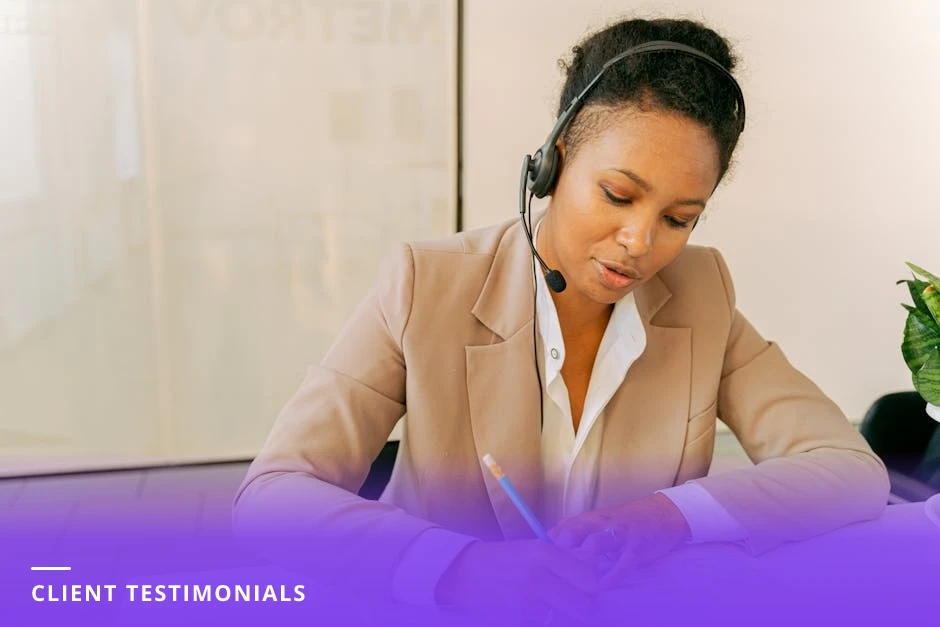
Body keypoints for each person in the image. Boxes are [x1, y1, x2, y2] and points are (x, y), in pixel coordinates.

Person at [232, 16, 889, 625]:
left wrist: (668, 515)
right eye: (618, 194)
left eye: (678, 218)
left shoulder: (700, 294)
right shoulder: (424, 285)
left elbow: (848, 469)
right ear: (554, 161)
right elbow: (272, 496)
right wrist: (460, 569)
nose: (640, 241)